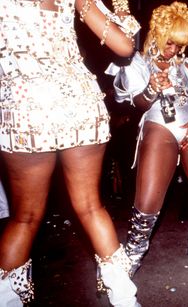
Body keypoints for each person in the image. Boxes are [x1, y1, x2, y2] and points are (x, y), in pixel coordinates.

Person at [0, 0, 140, 306]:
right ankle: (126, 300)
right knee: (91, 207)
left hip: (26, 106)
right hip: (78, 103)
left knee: (24, 218)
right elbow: (126, 45)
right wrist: (119, 5)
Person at [106, 1, 188, 276]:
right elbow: (137, 104)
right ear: (158, 35)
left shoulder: (187, 65)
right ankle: (134, 254)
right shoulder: (136, 62)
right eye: (171, 43)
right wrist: (151, 88)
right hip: (159, 126)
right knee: (148, 201)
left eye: (181, 45)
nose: (176, 50)